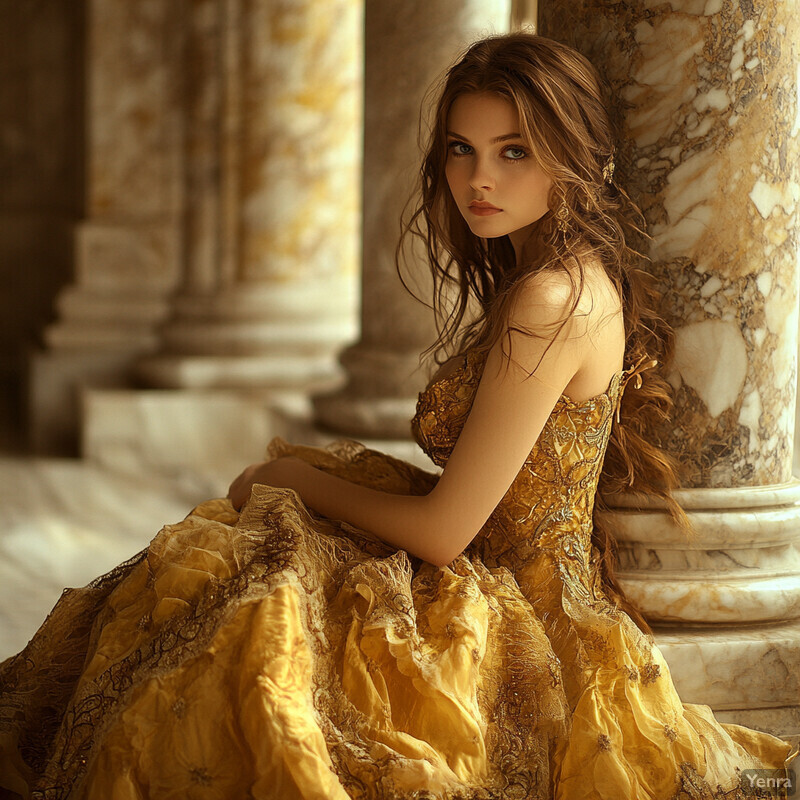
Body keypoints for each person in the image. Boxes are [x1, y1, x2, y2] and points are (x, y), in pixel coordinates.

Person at [1, 31, 796, 800]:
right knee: (235, 566)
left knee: (244, 595)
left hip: (511, 608)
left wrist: (290, 477)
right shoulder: (564, 274)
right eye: (462, 148)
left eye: (513, 151)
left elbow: (448, 532)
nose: (479, 178)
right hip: (491, 567)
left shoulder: (551, 299)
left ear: (578, 159)